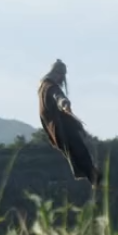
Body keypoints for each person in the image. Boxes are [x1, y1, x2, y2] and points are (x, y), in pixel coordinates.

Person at [37, 59, 101, 187]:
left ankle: (93, 177)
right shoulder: (51, 87)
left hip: (56, 130)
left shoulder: (42, 87)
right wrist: (65, 104)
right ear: (59, 74)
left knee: (77, 150)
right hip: (61, 128)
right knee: (79, 149)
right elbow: (59, 97)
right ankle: (94, 178)